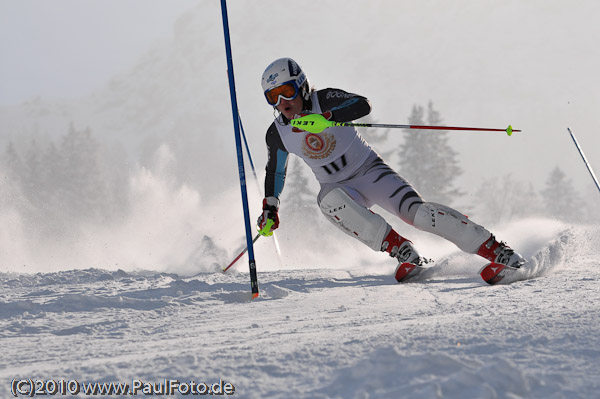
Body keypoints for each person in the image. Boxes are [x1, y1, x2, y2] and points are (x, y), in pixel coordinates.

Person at [256, 57, 525, 282]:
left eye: (287, 92)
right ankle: (403, 250)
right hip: (338, 187)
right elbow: (275, 172)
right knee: (328, 201)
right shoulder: (277, 133)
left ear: (301, 87)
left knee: (419, 214)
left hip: (370, 171)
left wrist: (327, 117)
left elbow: (362, 104)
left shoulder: (323, 100)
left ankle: (498, 252)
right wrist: (270, 208)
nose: (282, 102)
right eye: (273, 97)